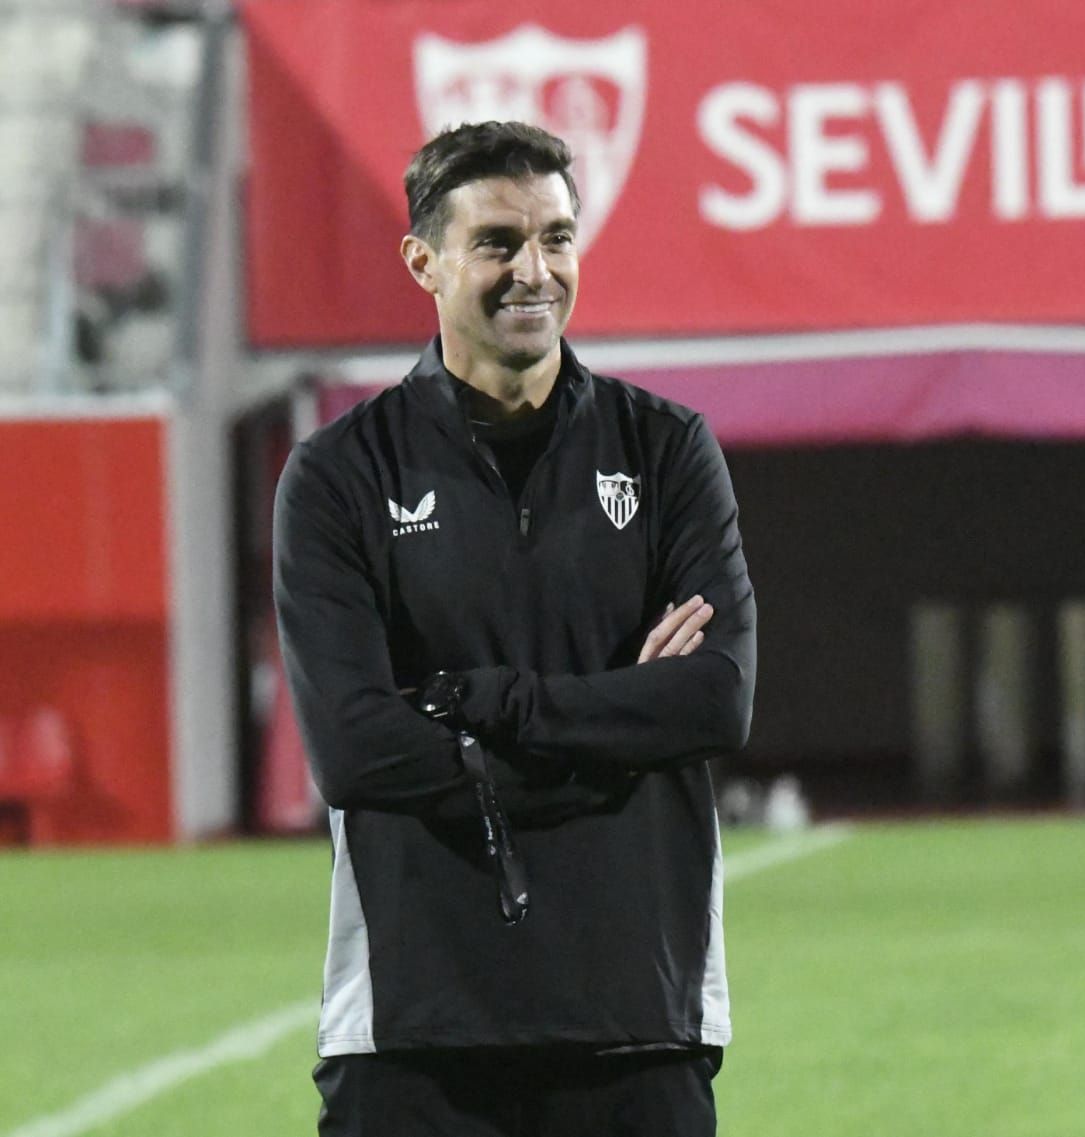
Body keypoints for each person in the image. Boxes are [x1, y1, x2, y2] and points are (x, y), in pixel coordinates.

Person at [273, 120, 756, 1137]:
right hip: (414, 1029)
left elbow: (713, 699)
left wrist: (491, 707)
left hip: (636, 1013)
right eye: (497, 241)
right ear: (424, 261)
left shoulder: (665, 451)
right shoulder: (340, 476)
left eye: (556, 238)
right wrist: (617, 737)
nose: (532, 271)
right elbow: (358, 752)